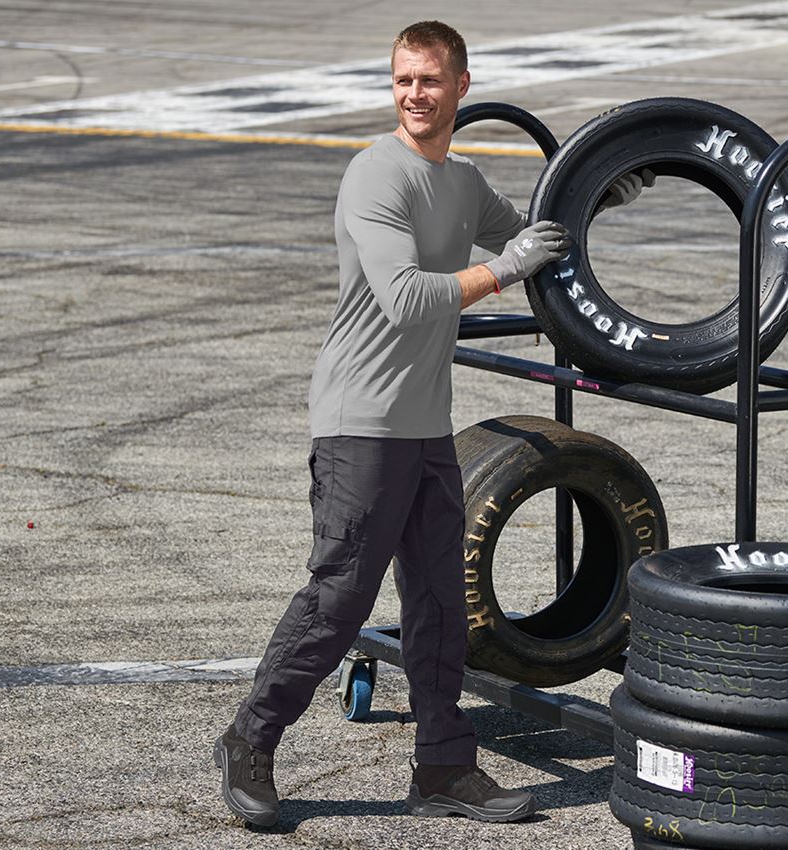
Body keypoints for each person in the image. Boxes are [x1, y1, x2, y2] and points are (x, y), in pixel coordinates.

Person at [213, 20, 646, 828]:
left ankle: (444, 768)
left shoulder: (462, 180)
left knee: (442, 602)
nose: (416, 94)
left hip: (425, 428)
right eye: (404, 80)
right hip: (360, 422)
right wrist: (503, 268)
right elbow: (408, 297)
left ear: (461, 87)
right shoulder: (376, 175)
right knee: (341, 597)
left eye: (431, 80)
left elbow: (529, 237)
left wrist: (598, 195)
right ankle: (251, 739)